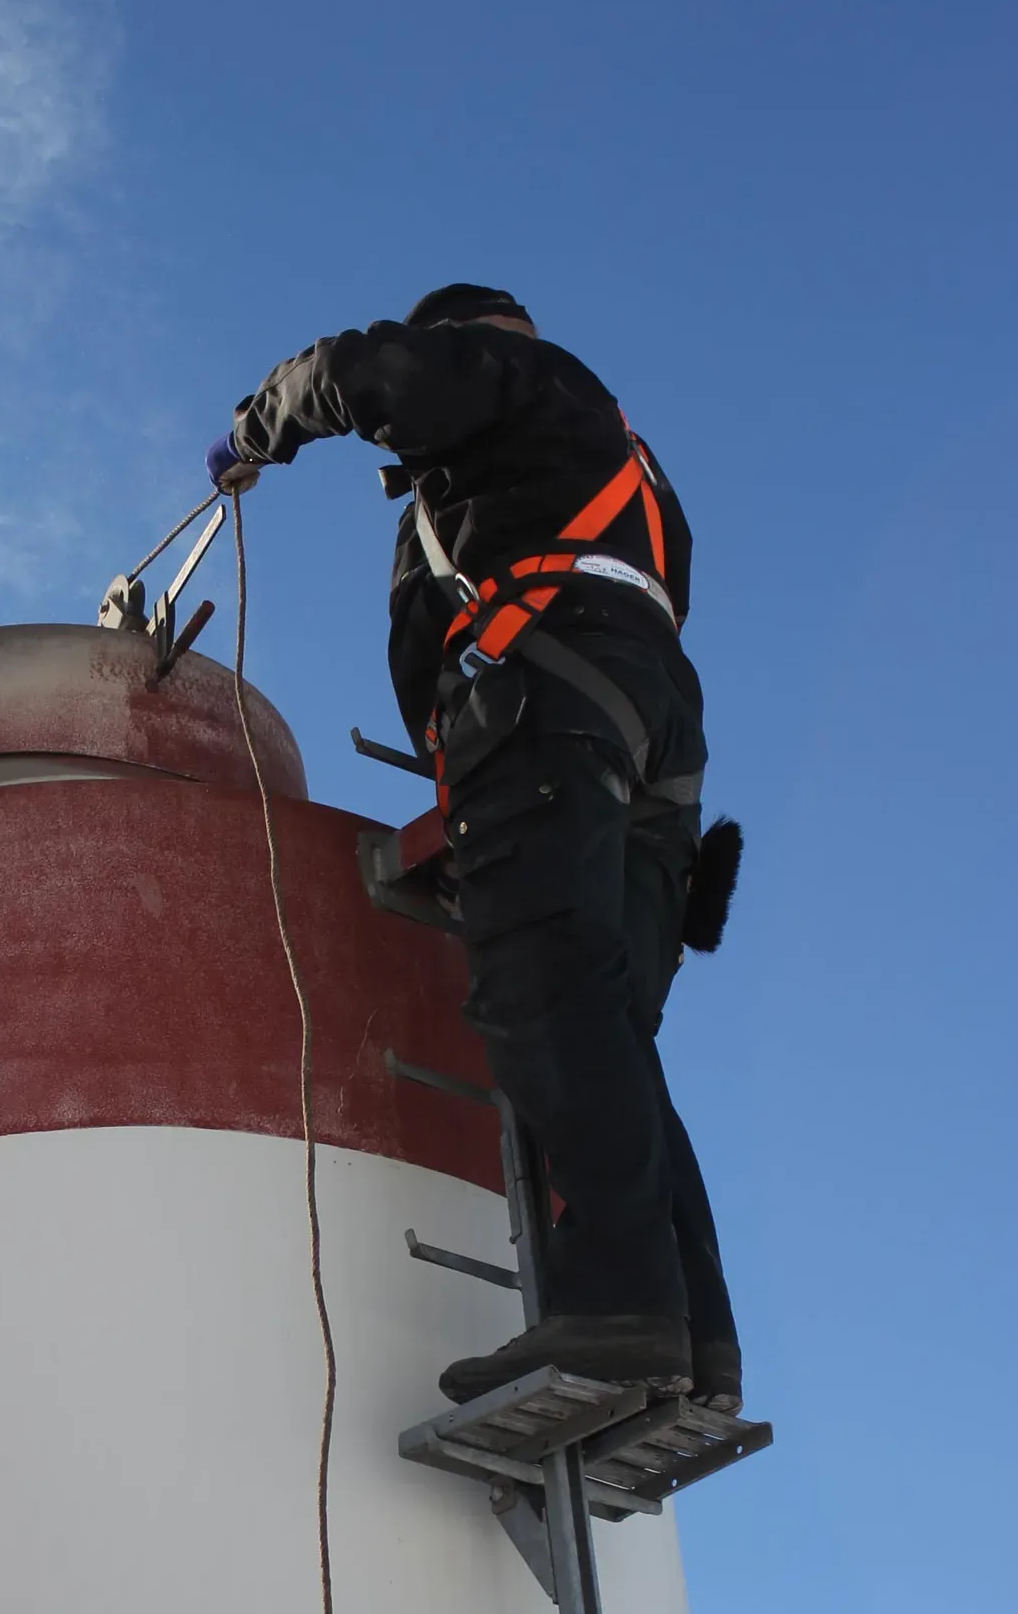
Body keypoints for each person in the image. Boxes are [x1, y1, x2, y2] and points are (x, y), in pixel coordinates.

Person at [206, 284, 741, 1412]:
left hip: (544, 708)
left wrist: (261, 424)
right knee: (609, 1031)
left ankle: (617, 1315)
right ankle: (693, 1342)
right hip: (648, 740)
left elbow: (368, 372)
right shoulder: (627, 473)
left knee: (546, 992)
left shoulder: (512, 382)